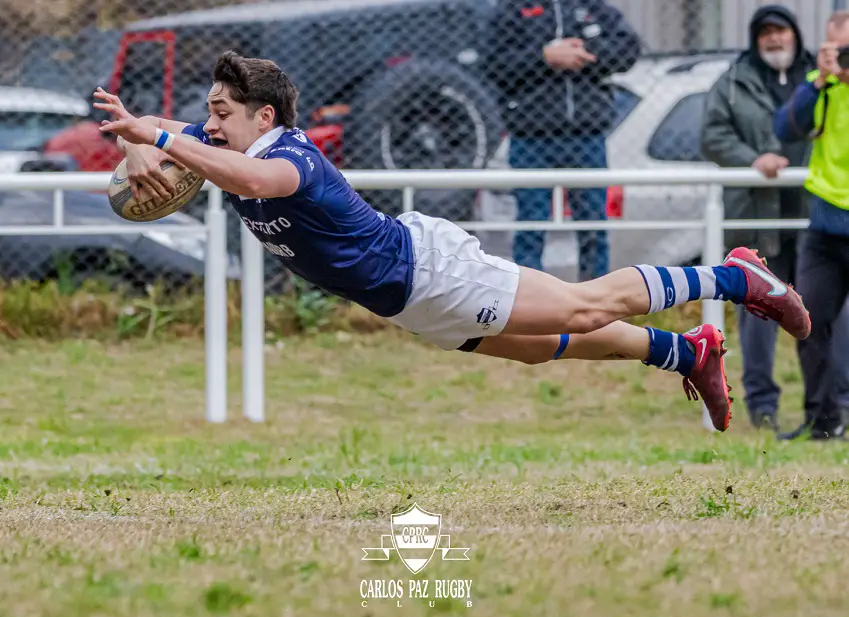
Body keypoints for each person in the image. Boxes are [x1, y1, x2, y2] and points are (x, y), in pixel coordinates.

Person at [93, 51, 812, 433]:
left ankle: (735, 278)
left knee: (581, 307)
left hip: (429, 272)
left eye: (221, 112)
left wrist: (162, 140)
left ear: (265, 117)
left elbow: (243, 175)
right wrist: (135, 138)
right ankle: (687, 353)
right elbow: (168, 136)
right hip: (406, 300)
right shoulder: (226, 141)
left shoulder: (287, 159)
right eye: (208, 114)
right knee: (536, 348)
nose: (208, 124)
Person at [701, 5, 849, 433]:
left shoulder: (811, 74)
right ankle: (788, 412)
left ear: (797, 36)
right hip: (768, 216)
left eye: (781, 30)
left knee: (832, 319)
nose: (774, 38)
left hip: (806, 212)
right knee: (773, 313)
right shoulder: (741, 80)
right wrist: (753, 158)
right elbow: (779, 128)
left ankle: (838, 406)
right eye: (765, 31)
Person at [486, 0, 641, 280]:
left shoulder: (592, 7)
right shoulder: (512, 9)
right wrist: (544, 56)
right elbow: (494, 63)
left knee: (593, 227)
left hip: (587, 136)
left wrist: (584, 53)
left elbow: (628, 49)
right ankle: (532, 300)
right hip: (530, 137)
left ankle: (594, 298)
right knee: (531, 227)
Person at [773, 10, 849, 440]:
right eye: (839, 49)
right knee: (808, 322)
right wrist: (819, 81)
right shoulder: (822, 86)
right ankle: (822, 421)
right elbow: (787, 128)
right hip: (825, 225)